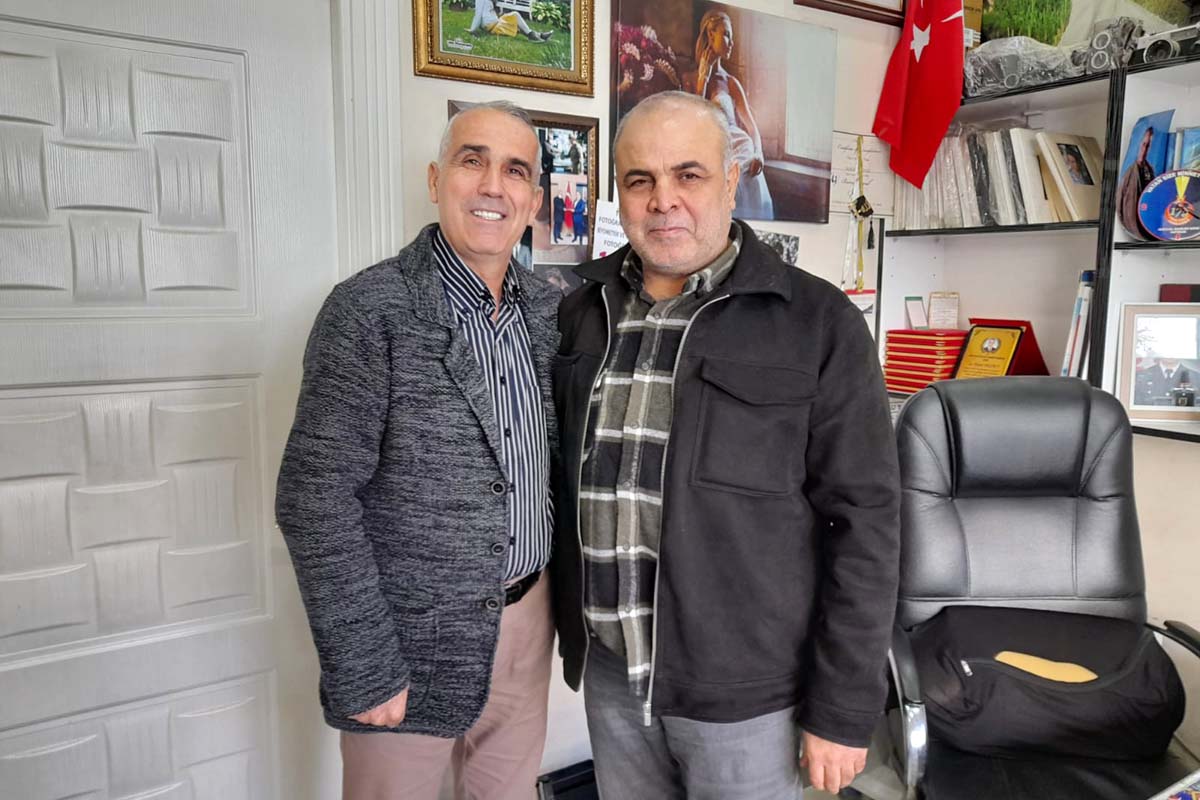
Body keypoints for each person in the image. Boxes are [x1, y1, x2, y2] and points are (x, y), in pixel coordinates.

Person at [550, 90, 901, 798]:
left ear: (732, 180)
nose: (663, 200)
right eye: (640, 179)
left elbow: (866, 523)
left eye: (689, 174)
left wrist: (842, 706)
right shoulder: (582, 311)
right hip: (614, 677)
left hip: (752, 701)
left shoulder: (819, 322)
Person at [276, 100, 559, 800]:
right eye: (472, 160)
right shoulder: (368, 310)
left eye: (515, 170)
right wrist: (364, 663)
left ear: (534, 201)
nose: (493, 185)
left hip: (528, 622)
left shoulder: (552, 311)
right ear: (436, 180)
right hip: (405, 641)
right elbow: (313, 495)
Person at [693, 9, 774, 220]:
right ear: (711, 34)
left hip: (740, 148)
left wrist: (759, 153)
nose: (732, 43)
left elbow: (751, 125)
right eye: (727, 35)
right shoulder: (688, 78)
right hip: (712, 151)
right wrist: (703, 78)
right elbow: (695, 122)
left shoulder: (731, 82)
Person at [1119, 128, 1156, 239]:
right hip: (1133, 226)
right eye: (1144, 144)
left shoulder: (1149, 170)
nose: (1145, 149)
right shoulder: (1129, 171)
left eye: (1148, 146)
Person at [467, 0, 552, 42]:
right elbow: (478, 14)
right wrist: (472, 29)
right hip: (493, 26)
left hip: (495, 23)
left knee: (515, 19)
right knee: (515, 16)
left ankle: (538, 35)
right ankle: (534, 35)